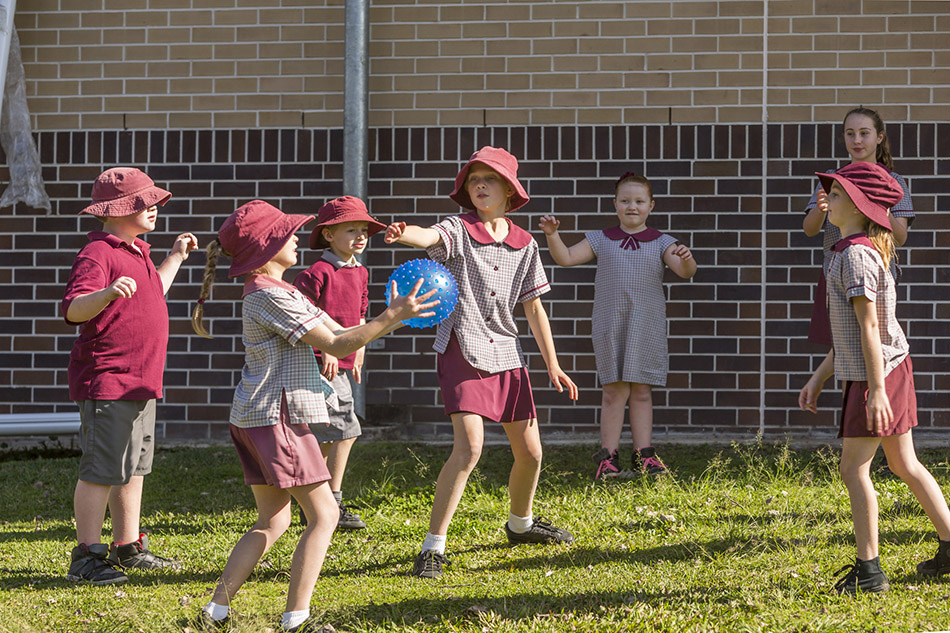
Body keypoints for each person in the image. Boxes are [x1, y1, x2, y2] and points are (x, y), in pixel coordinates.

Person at [191, 200, 436, 631]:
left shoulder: (280, 291)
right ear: (267, 249)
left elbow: (339, 334)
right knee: (325, 515)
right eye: (286, 234)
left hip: (257, 415)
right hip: (278, 417)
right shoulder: (270, 295)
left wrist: (378, 323)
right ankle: (296, 621)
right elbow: (338, 346)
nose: (296, 239)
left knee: (275, 519)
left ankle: (216, 612)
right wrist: (392, 316)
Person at [384, 146, 579, 580]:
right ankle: (432, 547)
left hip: (507, 353)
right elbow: (429, 236)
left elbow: (533, 309)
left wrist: (553, 364)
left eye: (488, 179)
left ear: (509, 190)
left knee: (531, 452)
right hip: (463, 346)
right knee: (469, 447)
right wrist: (405, 233)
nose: (479, 186)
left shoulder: (525, 243)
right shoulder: (457, 228)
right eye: (473, 180)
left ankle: (520, 524)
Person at [798, 163, 950, 595]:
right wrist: (820, 377)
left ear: (863, 207)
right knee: (904, 463)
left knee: (853, 468)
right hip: (885, 368)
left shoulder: (855, 256)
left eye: (838, 194)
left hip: (876, 375)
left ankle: (869, 573)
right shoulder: (852, 249)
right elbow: (851, 332)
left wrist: (876, 391)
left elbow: (868, 329)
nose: (828, 199)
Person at [62, 167, 197, 584]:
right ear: (122, 209)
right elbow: (73, 308)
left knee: (133, 466)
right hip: (110, 379)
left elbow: (155, 290)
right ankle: (86, 554)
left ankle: (127, 546)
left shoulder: (136, 251)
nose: (155, 208)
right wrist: (105, 293)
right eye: (146, 202)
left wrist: (174, 257)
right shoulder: (98, 253)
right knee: (102, 467)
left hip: (140, 381)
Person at [539, 172, 696, 480]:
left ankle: (644, 455)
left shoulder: (662, 242)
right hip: (610, 324)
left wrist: (687, 258)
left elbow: (685, 271)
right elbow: (567, 258)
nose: (632, 206)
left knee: (641, 391)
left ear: (651, 205)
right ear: (615, 205)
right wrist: (552, 235)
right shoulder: (601, 238)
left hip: (646, 325)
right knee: (613, 391)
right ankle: (607, 457)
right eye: (625, 201)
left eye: (639, 201)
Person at [802, 107, 915, 478]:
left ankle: (875, 427)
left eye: (864, 133)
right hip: (836, 269)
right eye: (850, 134)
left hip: (866, 270)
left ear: (879, 137)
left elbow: (899, 236)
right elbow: (809, 228)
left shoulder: (894, 181)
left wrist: (872, 205)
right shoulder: (834, 180)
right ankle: (874, 430)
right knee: (850, 340)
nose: (857, 140)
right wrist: (823, 206)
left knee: (868, 336)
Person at [293, 196, 386, 530]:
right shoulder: (317, 273)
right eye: (351, 230)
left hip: (345, 361)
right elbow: (303, 316)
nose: (360, 236)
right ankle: (323, 500)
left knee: (340, 431)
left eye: (363, 230)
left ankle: (325, 499)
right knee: (339, 430)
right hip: (321, 364)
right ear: (328, 234)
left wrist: (359, 348)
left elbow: (361, 310)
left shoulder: (359, 271)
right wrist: (328, 349)